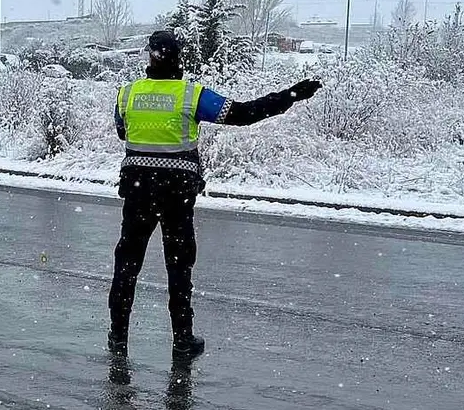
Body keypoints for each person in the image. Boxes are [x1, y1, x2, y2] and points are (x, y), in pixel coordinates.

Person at [109, 30, 322, 362]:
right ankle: (182, 339)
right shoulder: (191, 96)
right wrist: (291, 95)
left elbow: (123, 131)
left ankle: (118, 336)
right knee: (179, 266)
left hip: (138, 190)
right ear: (179, 59)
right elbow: (244, 114)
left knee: (127, 262)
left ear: (149, 57)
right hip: (176, 193)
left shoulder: (127, 94)